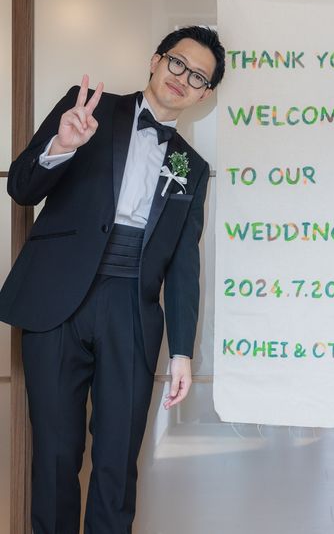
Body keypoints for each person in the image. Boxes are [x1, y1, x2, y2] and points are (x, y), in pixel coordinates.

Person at [0, 26, 225, 533]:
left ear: (204, 94)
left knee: (117, 462)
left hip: (133, 308)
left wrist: (183, 352)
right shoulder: (87, 111)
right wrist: (62, 145)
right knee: (54, 455)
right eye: (178, 63)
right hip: (57, 300)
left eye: (198, 77)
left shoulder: (192, 167)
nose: (183, 78)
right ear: (155, 60)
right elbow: (21, 188)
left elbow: (183, 263)